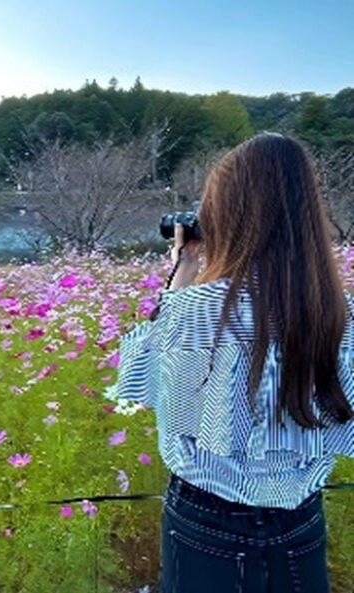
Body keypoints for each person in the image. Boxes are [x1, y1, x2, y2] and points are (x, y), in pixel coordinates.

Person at [115, 133, 354, 593]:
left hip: (206, 517)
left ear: (225, 216)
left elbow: (143, 389)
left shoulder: (199, 307)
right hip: (302, 517)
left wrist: (184, 268)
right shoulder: (338, 310)